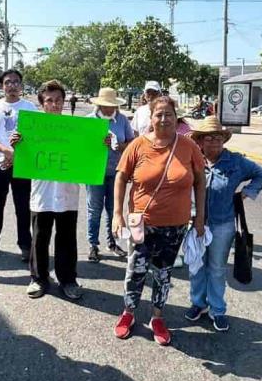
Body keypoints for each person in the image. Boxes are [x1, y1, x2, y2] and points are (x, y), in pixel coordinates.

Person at [112, 95, 206, 347]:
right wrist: (117, 214)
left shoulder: (189, 147)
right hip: (142, 223)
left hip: (175, 225)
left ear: (177, 118)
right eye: (159, 114)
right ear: (150, 118)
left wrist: (200, 218)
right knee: (136, 271)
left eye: (169, 115)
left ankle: (157, 318)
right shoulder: (138, 145)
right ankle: (128, 313)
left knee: (163, 274)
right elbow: (120, 178)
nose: (164, 119)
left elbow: (200, 181)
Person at [185, 116, 262, 332]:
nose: (214, 142)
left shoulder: (236, 162)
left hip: (223, 224)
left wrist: (245, 194)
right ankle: (198, 303)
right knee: (196, 266)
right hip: (195, 223)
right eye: (209, 138)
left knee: (216, 268)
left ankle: (218, 309)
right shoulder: (193, 159)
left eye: (219, 138)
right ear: (200, 141)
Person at [11, 80, 83, 300]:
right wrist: (17, 144)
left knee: (67, 238)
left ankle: (68, 279)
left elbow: (88, 156)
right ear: (42, 103)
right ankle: (38, 278)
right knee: (39, 238)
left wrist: (103, 143)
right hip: (42, 194)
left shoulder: (77, 130)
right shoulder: (31, 128)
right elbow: (21, 159)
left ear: (64, 102)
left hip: (68, 193)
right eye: (49, 100)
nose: (54, 104)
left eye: (58, 100)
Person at [0, 68, 37, 261]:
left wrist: (17, 153)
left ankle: (25, 245)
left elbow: (38, 139)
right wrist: (5, 150)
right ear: (2, 86)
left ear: (21, 85)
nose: (11, 86)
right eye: (7, 82)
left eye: (15, 82)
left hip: (22, 166)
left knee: (22, 207)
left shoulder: (29, 107)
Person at [85, 86, 135, 263]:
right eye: (105, 105)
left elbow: (131, 143)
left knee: (114, 209)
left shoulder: (122, 120)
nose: (108, 108)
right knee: (94, 209)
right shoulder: (89, 120)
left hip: (117, 171)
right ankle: (93, 244)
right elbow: (81, 148)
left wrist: (117, 145)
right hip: (94, 172)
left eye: (111, 105)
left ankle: (112, 242)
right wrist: (98, 143)